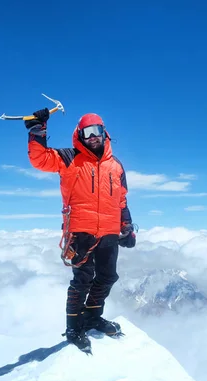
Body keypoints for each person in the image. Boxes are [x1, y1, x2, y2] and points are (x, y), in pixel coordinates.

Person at [25, 107, 136, 352]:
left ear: (104, 132)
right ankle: (74, 327)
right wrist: (37, 129)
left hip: (108, 231)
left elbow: (122, 199)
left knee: (108, 277)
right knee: (82, 279)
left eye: (97, 131)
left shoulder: (116, 166)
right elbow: (40, 159)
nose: (93, 136)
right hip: (79, 231)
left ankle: (93, 317)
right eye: (87, 132)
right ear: (80, 135)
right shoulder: (69, 157)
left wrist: (126, 226)